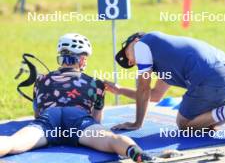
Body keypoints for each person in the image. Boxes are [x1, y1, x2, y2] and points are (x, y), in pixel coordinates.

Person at [0, 33, 153, 162]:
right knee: (111, 140)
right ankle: (136, 153)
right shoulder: (95, 84)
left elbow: (37, 114)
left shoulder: (40, 80)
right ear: (82, 60)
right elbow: (96, 120)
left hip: (48, 118)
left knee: (14, 142)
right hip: (79, 118)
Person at [105, 31, 225, 141]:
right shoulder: (165, 55)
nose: (131, 62)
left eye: (127, 56)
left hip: (212, 79)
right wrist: (119, 90)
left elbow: (144, 90)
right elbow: (154, 95)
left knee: (184, 123)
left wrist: (136, 124)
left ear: (134, 41)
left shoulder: (142, 44)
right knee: (202, 125)